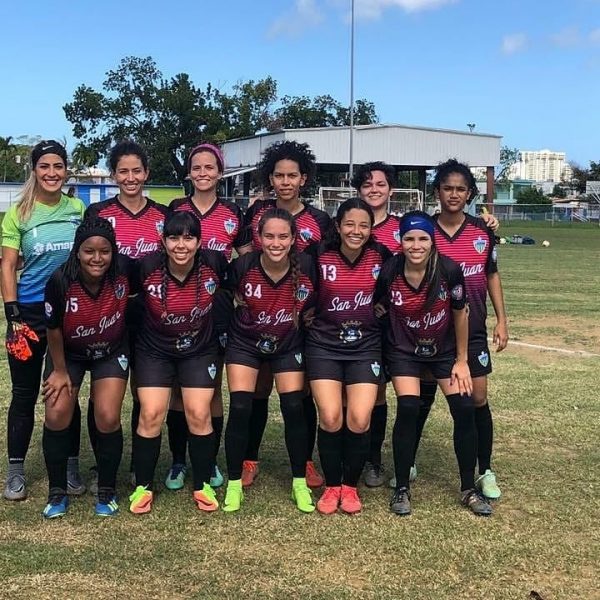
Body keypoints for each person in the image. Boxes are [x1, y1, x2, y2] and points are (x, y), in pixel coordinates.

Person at [375, 210, 492, 516]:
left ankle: (468, 488)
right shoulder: (390, 271)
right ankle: (402, 487)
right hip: (404, 352)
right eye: (409, 239)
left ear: (432, 241)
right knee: (409, 406)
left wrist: (462, 361)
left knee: (464, 407)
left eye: (423, 239)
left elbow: (460, 314)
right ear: (400, 241)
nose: (416, 245)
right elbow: (378, 308)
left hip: (443, 351)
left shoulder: (449, 270)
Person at [236, 140, 330, 489]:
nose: (285, 182)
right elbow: (245, 257)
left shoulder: (319, 220)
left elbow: (323, 269)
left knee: (300, 395)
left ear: (303, 178)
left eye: (292, 175)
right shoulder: (256, 213)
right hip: (260, 317)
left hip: (299, 321)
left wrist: (312, 310)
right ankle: (249, 458)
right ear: (270, 178)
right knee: (258, 390)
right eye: (279, 175)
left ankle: (304, 461)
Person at [411, 159, 508, 499]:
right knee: (421, 397)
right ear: (437, 191)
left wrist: (502, 319)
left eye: (460, 189)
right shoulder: (424, 229)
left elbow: (491, 275)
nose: (453, 194)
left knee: (478, 398)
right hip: (433, 330)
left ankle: (485, 470)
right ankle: (409, 462)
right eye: (447, 188)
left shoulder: (482, 231)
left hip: (474, 328)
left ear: (469, 194)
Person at [1, 140, 85, 501]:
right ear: (34, 170)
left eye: (58, 166)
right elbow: (7, 265)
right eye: (44, 166)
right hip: (29, 314)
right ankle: (15, 472)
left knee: (66, 390)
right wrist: (12, 313)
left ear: (66, 170)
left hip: (69, 314)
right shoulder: (18, 213)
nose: (52, 173)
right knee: (24, 393)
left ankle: (70, 466)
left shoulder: (78, 209)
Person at [129, 211, 227, 514]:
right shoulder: (146, 267)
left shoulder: (215, 264)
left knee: (198, 412)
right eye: (173, 238)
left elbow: (236, 292)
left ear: (199, 241)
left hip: (199, 349)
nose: (180, 245)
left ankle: (202, 484)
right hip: (154, 350)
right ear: (163, 241)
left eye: (188, 238)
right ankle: (142, 487)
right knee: (151, 413)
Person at [85, 140, 168, 492]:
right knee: (103, 392)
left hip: (150, 314)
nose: (130, 177)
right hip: (108, 313)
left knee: (142, 390)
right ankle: (102, 465)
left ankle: (138, 465)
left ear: (146, 173)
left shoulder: (163, 215)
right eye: (123, 171)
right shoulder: (99, 213)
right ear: (114, 174)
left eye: (136, 171)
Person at [222, 208, 318, 513]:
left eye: (283, 236)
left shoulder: (307, 266)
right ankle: (234, 484)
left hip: (287, 344)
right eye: (269, 236)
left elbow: (319, 300)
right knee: (240, 407)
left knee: (293, 407)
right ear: (259, 238)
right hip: (245, 343)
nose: (276, 243)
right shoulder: (243, 265)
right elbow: (223, 295)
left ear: (293, 238)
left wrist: (309, 317)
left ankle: (299, 482)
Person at [304, 198, 391, 515]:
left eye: (364, 225)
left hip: (365, 347)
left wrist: (380, 309)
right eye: (350, 224)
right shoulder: (318, 254)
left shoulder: (381, 256)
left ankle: (350, 486)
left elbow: (395, 288)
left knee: (359, 418)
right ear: (338, 226)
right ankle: (332, 486)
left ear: (371, 229)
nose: (356, 231)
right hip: (324, 346)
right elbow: (300, 287)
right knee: (330, 417)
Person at [166, 142, 245, 491]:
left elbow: (245, 257)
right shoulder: (176, 208)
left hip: (218, 308)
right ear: (189, 172)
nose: (203, 173)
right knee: (176, 388)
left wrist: (241, 292)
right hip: (178, 306)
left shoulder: (233, 211)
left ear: (220, 172)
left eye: (209, 167)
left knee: (210, 388)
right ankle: (178, 460)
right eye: (196, 167)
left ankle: (208, 459)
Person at [41, 217, 130, 518]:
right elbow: (53, 328)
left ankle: (106, 489)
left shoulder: (124, 272)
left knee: (107, 415)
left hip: (111, 350)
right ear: (77, 251)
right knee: (57, 412)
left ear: (113, 251)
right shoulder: (61, 280)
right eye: (89, 251)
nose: (97, 258)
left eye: (104, 251)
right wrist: (60, 371)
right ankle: (57, 492)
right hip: (69, 354)